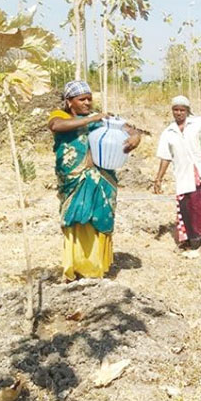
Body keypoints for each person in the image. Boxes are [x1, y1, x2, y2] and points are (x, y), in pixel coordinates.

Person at [47, 80, 141, 281]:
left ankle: (96, 268)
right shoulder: (60, 116)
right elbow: (57, 126)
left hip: (101, 177)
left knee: (98, 217)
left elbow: (129, 128)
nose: (87, 103)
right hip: (74, 179)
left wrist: (135, 136)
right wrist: (92, 119)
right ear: (69, 101)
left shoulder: (100, 118)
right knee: (77, 219)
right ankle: (76, 268)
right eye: (82, 99)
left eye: (89, 99)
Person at [153, 96, 201, 249]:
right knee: (188, 206)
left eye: (182, 110)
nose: (179, 113)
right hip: (184, 175)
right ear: (172, 111)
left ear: (187, 111)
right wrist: (158, 178)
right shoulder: (168, 132)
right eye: (176, 110)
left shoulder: (198, 123)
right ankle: (192, 238)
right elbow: (165, 157)